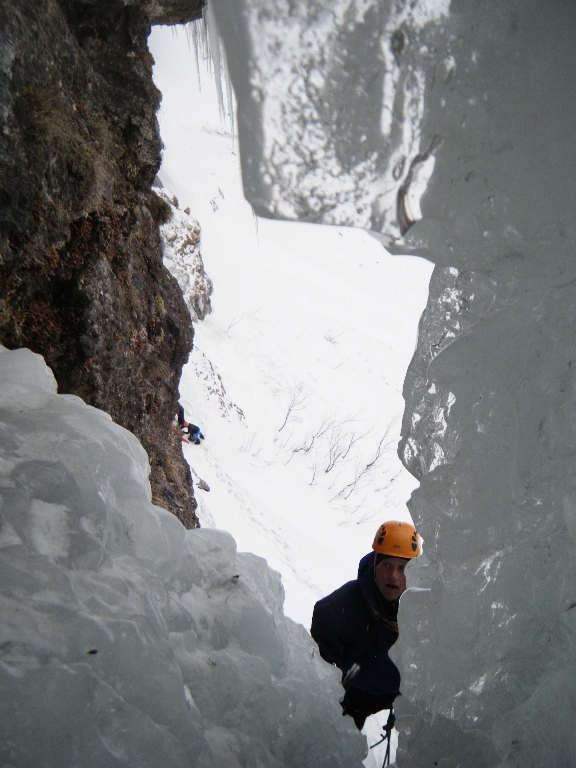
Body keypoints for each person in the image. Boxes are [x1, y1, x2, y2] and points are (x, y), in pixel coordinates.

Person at [311, 520, 421, 731]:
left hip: (393, 697)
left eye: (402, 568)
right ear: (374, 566)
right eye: (386, 565)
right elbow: (322, 631)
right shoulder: (345, 605)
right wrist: (342, 680)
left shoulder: (425, 608)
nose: (393, 576)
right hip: (355, 698)